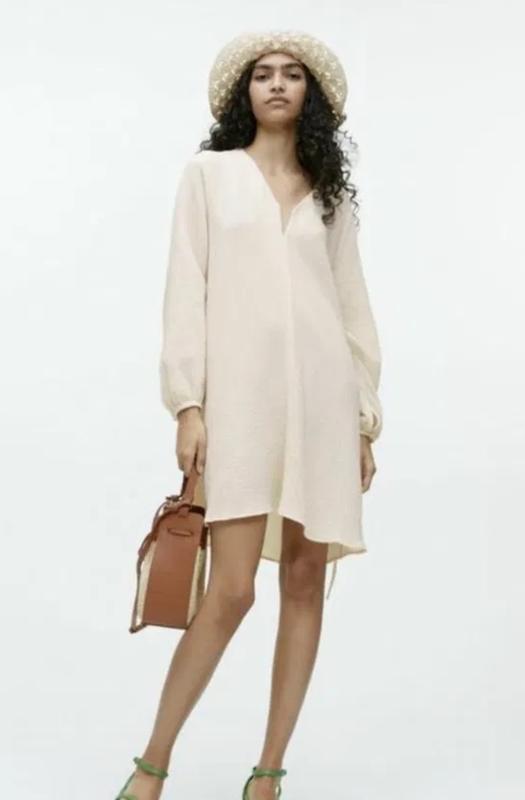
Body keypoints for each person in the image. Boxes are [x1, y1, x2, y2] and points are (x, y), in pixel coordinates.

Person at [115, 29, 383, 800]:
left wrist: (363, 419)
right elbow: (185, 290)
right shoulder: (209, 176)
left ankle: (267, 775)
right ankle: (151, 765)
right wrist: (188, 403)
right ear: (244, 92)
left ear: (310, 94)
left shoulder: (328, 192)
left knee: (304, 579)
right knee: (230, 590)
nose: (276, 84)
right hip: (240, 402)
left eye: (291, 74)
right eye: (263, 74)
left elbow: (352, 308)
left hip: (324, 402)